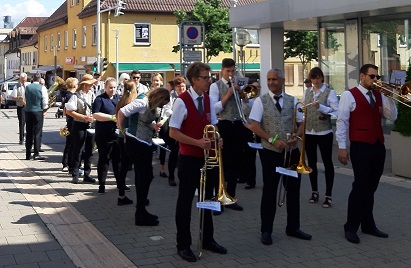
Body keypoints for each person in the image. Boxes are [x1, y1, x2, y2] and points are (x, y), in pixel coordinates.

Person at [169, 62, 227, 262]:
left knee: (208, 200)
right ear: (195, 80)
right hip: (189, 159)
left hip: (207, 158)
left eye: (209, 77)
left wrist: (217, 139)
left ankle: (208, 239)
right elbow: (173, 131)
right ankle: (183, 244)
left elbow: (214, 126)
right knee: (185, 202)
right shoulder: (182, 102)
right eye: (205, 77)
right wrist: (197, 142)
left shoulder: (210, 100)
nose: (209, 80)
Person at [248, 68, 312, 246]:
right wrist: (272, 139)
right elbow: (254, 126)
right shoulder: (260, 101)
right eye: (268, 80)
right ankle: (266, 230)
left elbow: (301, 122)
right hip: (270, 152)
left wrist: (296, 137)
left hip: (291, 153)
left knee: (293, 190)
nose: (271, 83)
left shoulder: (293, 101)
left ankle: (293, 227)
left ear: (282, 81)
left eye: (274, 79)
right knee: (269, 191)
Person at [336, 63, 397, 244]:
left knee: (371, 188)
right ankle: (351, 226)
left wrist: (389, 98)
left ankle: (368, 225)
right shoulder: (349, 95)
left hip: (378, 145)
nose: (376, 80)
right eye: (372, 76)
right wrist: (341, 147)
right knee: (360, 187)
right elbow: (342, 122)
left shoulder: (379, 95)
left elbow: (392, 116)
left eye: (377, 77)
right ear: (362, 76)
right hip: (360, 146)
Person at [117, 87, 170, 226]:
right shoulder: (142, 102)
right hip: (136, 142)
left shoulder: (149, 103)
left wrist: (153, 125)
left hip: (143, 142)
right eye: (162, 103)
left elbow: (143, 118)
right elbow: (122, 112)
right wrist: (122, 130)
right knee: (145, 176)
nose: (161, 106)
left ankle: (141, 210)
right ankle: (140, 213)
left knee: (145, 176)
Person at [209, 58, 246, 213]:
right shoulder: (215, 86)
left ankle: (231, 197)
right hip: (223, 124)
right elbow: (214, 109)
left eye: (233, 71)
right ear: (222, 71)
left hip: (237, 124)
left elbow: (246, 103)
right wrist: (228, 94)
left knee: (235, 163)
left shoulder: (238, 84)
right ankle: (218, 198)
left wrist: (240, 92)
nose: (231, 74)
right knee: (221, 163)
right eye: (228, 71)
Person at [92, 77, 132, 206]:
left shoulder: (118, 99)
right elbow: (95, 114)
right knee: (104, 159)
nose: (113, 90)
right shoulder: (100, 99)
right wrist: (111, 117)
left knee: (118, 161)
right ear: (105, 87)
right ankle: (102, 185)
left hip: (117, 135)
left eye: (114, 87)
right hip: (103, 134)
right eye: (110, 87)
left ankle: (120, 184)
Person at [302, 67, 339, 208]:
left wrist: (322, 108)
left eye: (318, 78)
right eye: (313, 78)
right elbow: (304, 111)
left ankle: (328, 195)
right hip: (310, 132)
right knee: (311, 163)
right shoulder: (307, 92)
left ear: (322, 78)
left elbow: (336, 111)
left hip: (324, 132)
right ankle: (314, 191)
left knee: (327, 162)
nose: (315, 81)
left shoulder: (330, 92)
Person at [65, 74, 97, 184]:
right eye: (91, 83)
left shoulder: (92, 95)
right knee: (77, 150)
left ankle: (87, 173)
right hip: (79, 125)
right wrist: (83, 117)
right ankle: (75, 173)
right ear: (85, 84)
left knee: (89, 150)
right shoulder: (76, 96)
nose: (93, 85)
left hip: (90, 125)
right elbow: (68, 111)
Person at [160, 76, 187, 186]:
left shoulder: (188, 96)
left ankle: (184, 175)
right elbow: (167, 110)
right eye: (179, 86)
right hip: (174, 125)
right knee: (174, 151)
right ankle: (171, 176)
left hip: (185, 125)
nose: (181, 88)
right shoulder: (171, 96)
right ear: (175, 87)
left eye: (183, 86)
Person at [240, 82, 261, 190]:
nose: (256, 89)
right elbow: (244, 113)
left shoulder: (263, 100)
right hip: (249, 130)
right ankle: (250, 180)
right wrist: (245, 100)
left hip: (261, 132)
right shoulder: (247, 101)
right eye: (254, 87)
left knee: (264, 158)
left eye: (258, 87)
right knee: (249, 157)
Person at [24, 73, 48, 160]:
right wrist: (45, 109)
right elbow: (45, 101)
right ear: (39, 79)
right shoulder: (42, 88)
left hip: (28, 111)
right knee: (37, 132)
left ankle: (28, 154)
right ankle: (36, 153)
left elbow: (25, 98)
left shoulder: (27, 87)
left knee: (29, 132)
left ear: (32, 78)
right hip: (38, 111)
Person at [61, 77, 78, 172]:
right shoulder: (70, 95)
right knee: (70, 144)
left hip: (69, 121)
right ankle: (66, 163)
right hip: (71, 121)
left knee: (69, 143)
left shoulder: (67, 94)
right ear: (74, 85)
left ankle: (66, 163)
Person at [11, 73, 29, 145]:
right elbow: (13, 97)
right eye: (22, 80)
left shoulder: (28, 85)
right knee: (22, 122)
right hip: (21, 107)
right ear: (20, 79)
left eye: (24, 80)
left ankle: (29, 138)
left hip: (29, 106)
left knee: (29, 122)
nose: (23, 82)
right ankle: (21, 139)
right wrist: (19, 98)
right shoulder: (17, 86)